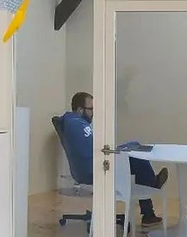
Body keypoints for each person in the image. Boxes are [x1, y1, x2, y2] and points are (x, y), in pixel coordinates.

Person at [60, 92, 168, 228]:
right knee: (139, 161)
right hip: (95, 167)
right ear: (80, 110)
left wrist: (115, 150)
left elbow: (91, 148)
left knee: (134, 145)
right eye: (92, 109)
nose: (94, 113)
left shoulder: (73, 121)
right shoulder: (77, 124)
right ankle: (151, 190)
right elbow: (90, 152)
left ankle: (149, 206)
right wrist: (113, 153)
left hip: (95, 162)